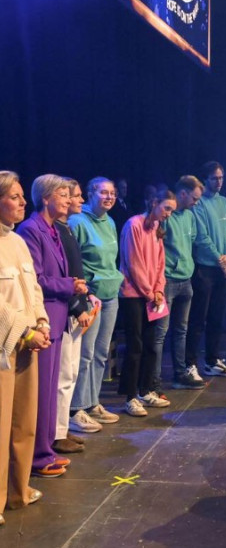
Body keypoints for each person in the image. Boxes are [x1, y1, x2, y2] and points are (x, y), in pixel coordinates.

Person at [17, 175, 86, 476]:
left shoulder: (54, 230)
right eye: (62, 194)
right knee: (41, 391)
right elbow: (37, 279)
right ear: (45, 198)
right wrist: (69, 285)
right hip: (43, 317)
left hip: (57, 318)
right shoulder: (32, 230)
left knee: (48, 389)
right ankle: (36, 455)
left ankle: (44, 449)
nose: (69, 199)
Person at [0, 171, 47, 525]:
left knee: (23, 422)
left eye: (21, 196)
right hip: (5, 344)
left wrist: (41, 322)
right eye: (15, 196)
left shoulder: (17, 241)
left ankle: (18, 490)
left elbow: (33, 288)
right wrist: (23, 331)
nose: (22, 202)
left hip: (28, 340)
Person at [67, 177, 123, 432]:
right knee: (85, 354)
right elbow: (73, 261)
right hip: (91, 295)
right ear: (90, 194)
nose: (109, 197)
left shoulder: (110, 221)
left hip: (111, 294)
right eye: (103, 192)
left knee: (101, 353)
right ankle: (76, 408)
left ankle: (93, 402)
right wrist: (85, 292)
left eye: (112, 193)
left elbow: (111, 260)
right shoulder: (78, 221)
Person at [118, 190, 176, 417]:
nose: (169, 214)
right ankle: (130, 396)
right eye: (166, 208)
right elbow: (134, 264)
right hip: (134, 295)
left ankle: (145, 390)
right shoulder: (133, 225)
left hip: (153, 295)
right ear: (154, 203)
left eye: (171, 210)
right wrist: (150, 292)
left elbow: (161, 264)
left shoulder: (156, 230)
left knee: (152, 344)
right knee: (136, 346)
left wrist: (159, 289)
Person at [53, 179, 94, 453]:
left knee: (71, 372)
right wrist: (77, 306)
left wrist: (84, 299)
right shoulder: (55, 230)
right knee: (63, 375)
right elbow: (62, 275)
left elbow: (75, 271)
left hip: (75, 304)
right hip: (66, 309)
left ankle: (62, 429)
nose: (74, 201)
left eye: (75, 196)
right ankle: (56, 433)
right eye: (69, 196)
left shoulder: (66, 229)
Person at [186, 162, 226, 378]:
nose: (219, 182)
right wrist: (221, 260)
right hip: (205, 268)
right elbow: (202, 237)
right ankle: (190, 363)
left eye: (221, 177)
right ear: (205, 180)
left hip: (222, 268)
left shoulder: (225, 203)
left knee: (218, 315)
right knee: (199, 317)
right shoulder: (199, 204)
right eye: (214, 178)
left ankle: (212, 360)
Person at [154, 176, 206, 390]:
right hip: (167, 281)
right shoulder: (165, 215)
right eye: (194, 198)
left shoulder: (190, 216)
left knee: (181, 330)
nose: (196, 202)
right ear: (183, 193)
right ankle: (153, 380)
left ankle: (180, 373)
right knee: (160, 332)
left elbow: (191, 242)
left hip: (186, 280)